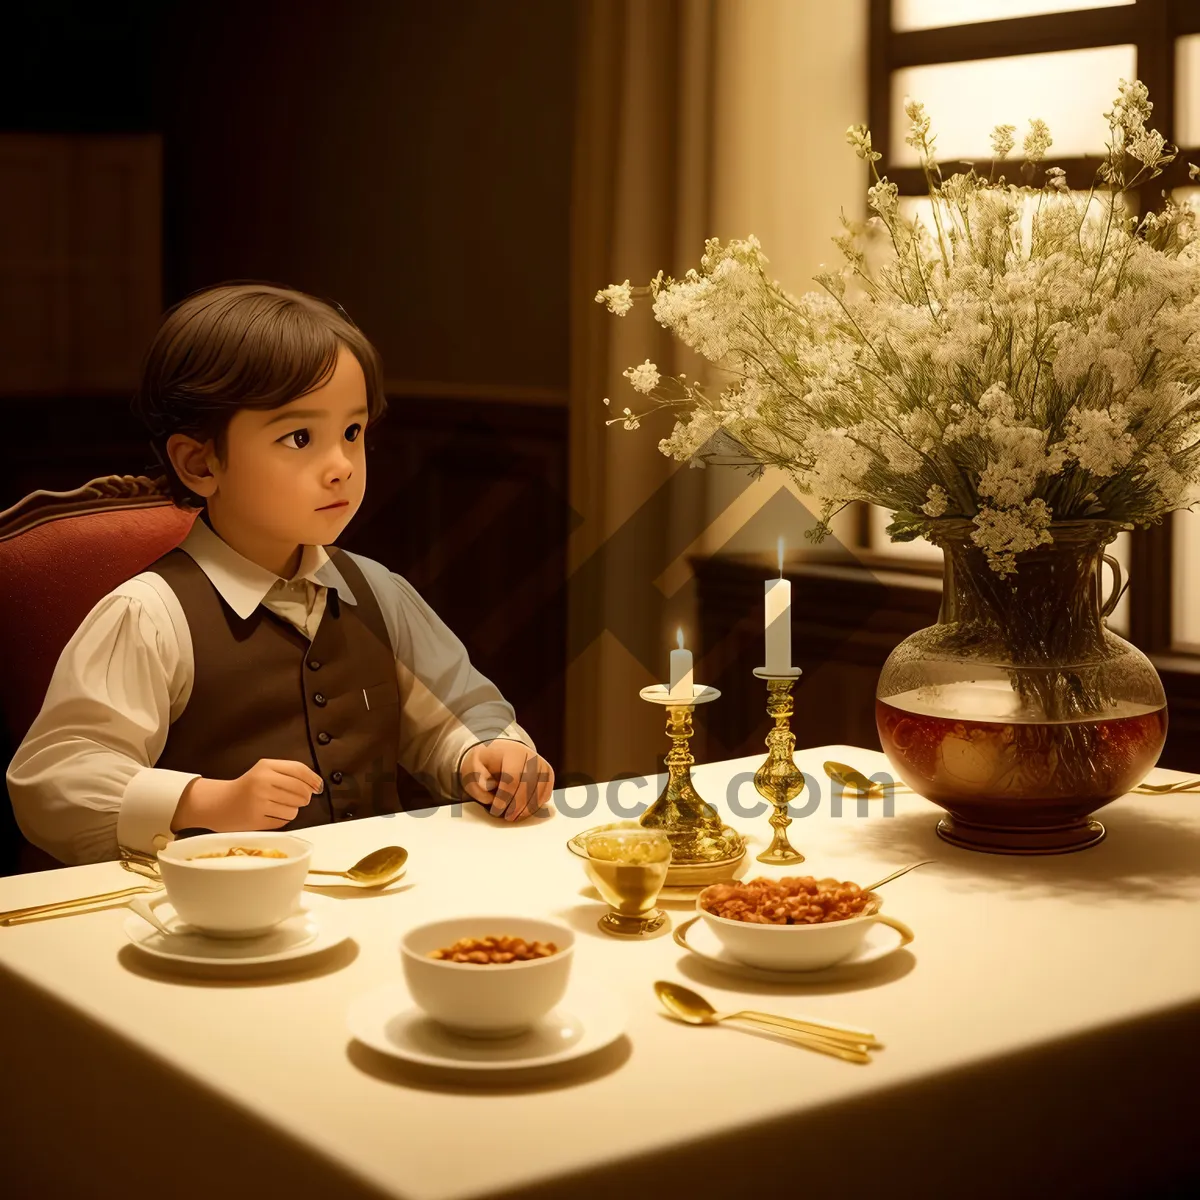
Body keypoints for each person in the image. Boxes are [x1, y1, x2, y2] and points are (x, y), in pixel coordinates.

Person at [6, 282, 554, 865]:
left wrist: (485, 756)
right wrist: (202, 800)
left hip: (380, 898)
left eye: (353, 432)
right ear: (200, 463)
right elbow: (55, 778)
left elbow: (453, 717)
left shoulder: (378, 592)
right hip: (215, 923)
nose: (341, 466)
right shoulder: (150, 615)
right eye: (300, 438)